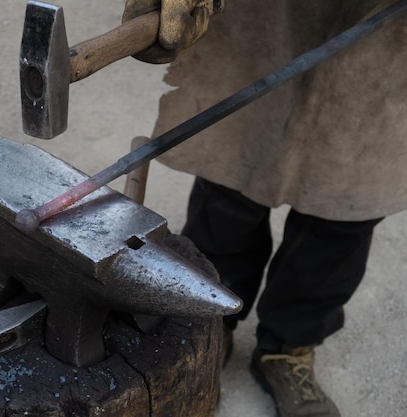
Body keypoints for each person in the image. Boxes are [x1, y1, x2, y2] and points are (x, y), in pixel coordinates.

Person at [122, 1, 407, 416]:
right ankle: (209, 325)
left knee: (343, 211)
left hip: (386, 39)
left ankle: (289, 348)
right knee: (231, 188)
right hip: (267, 19)